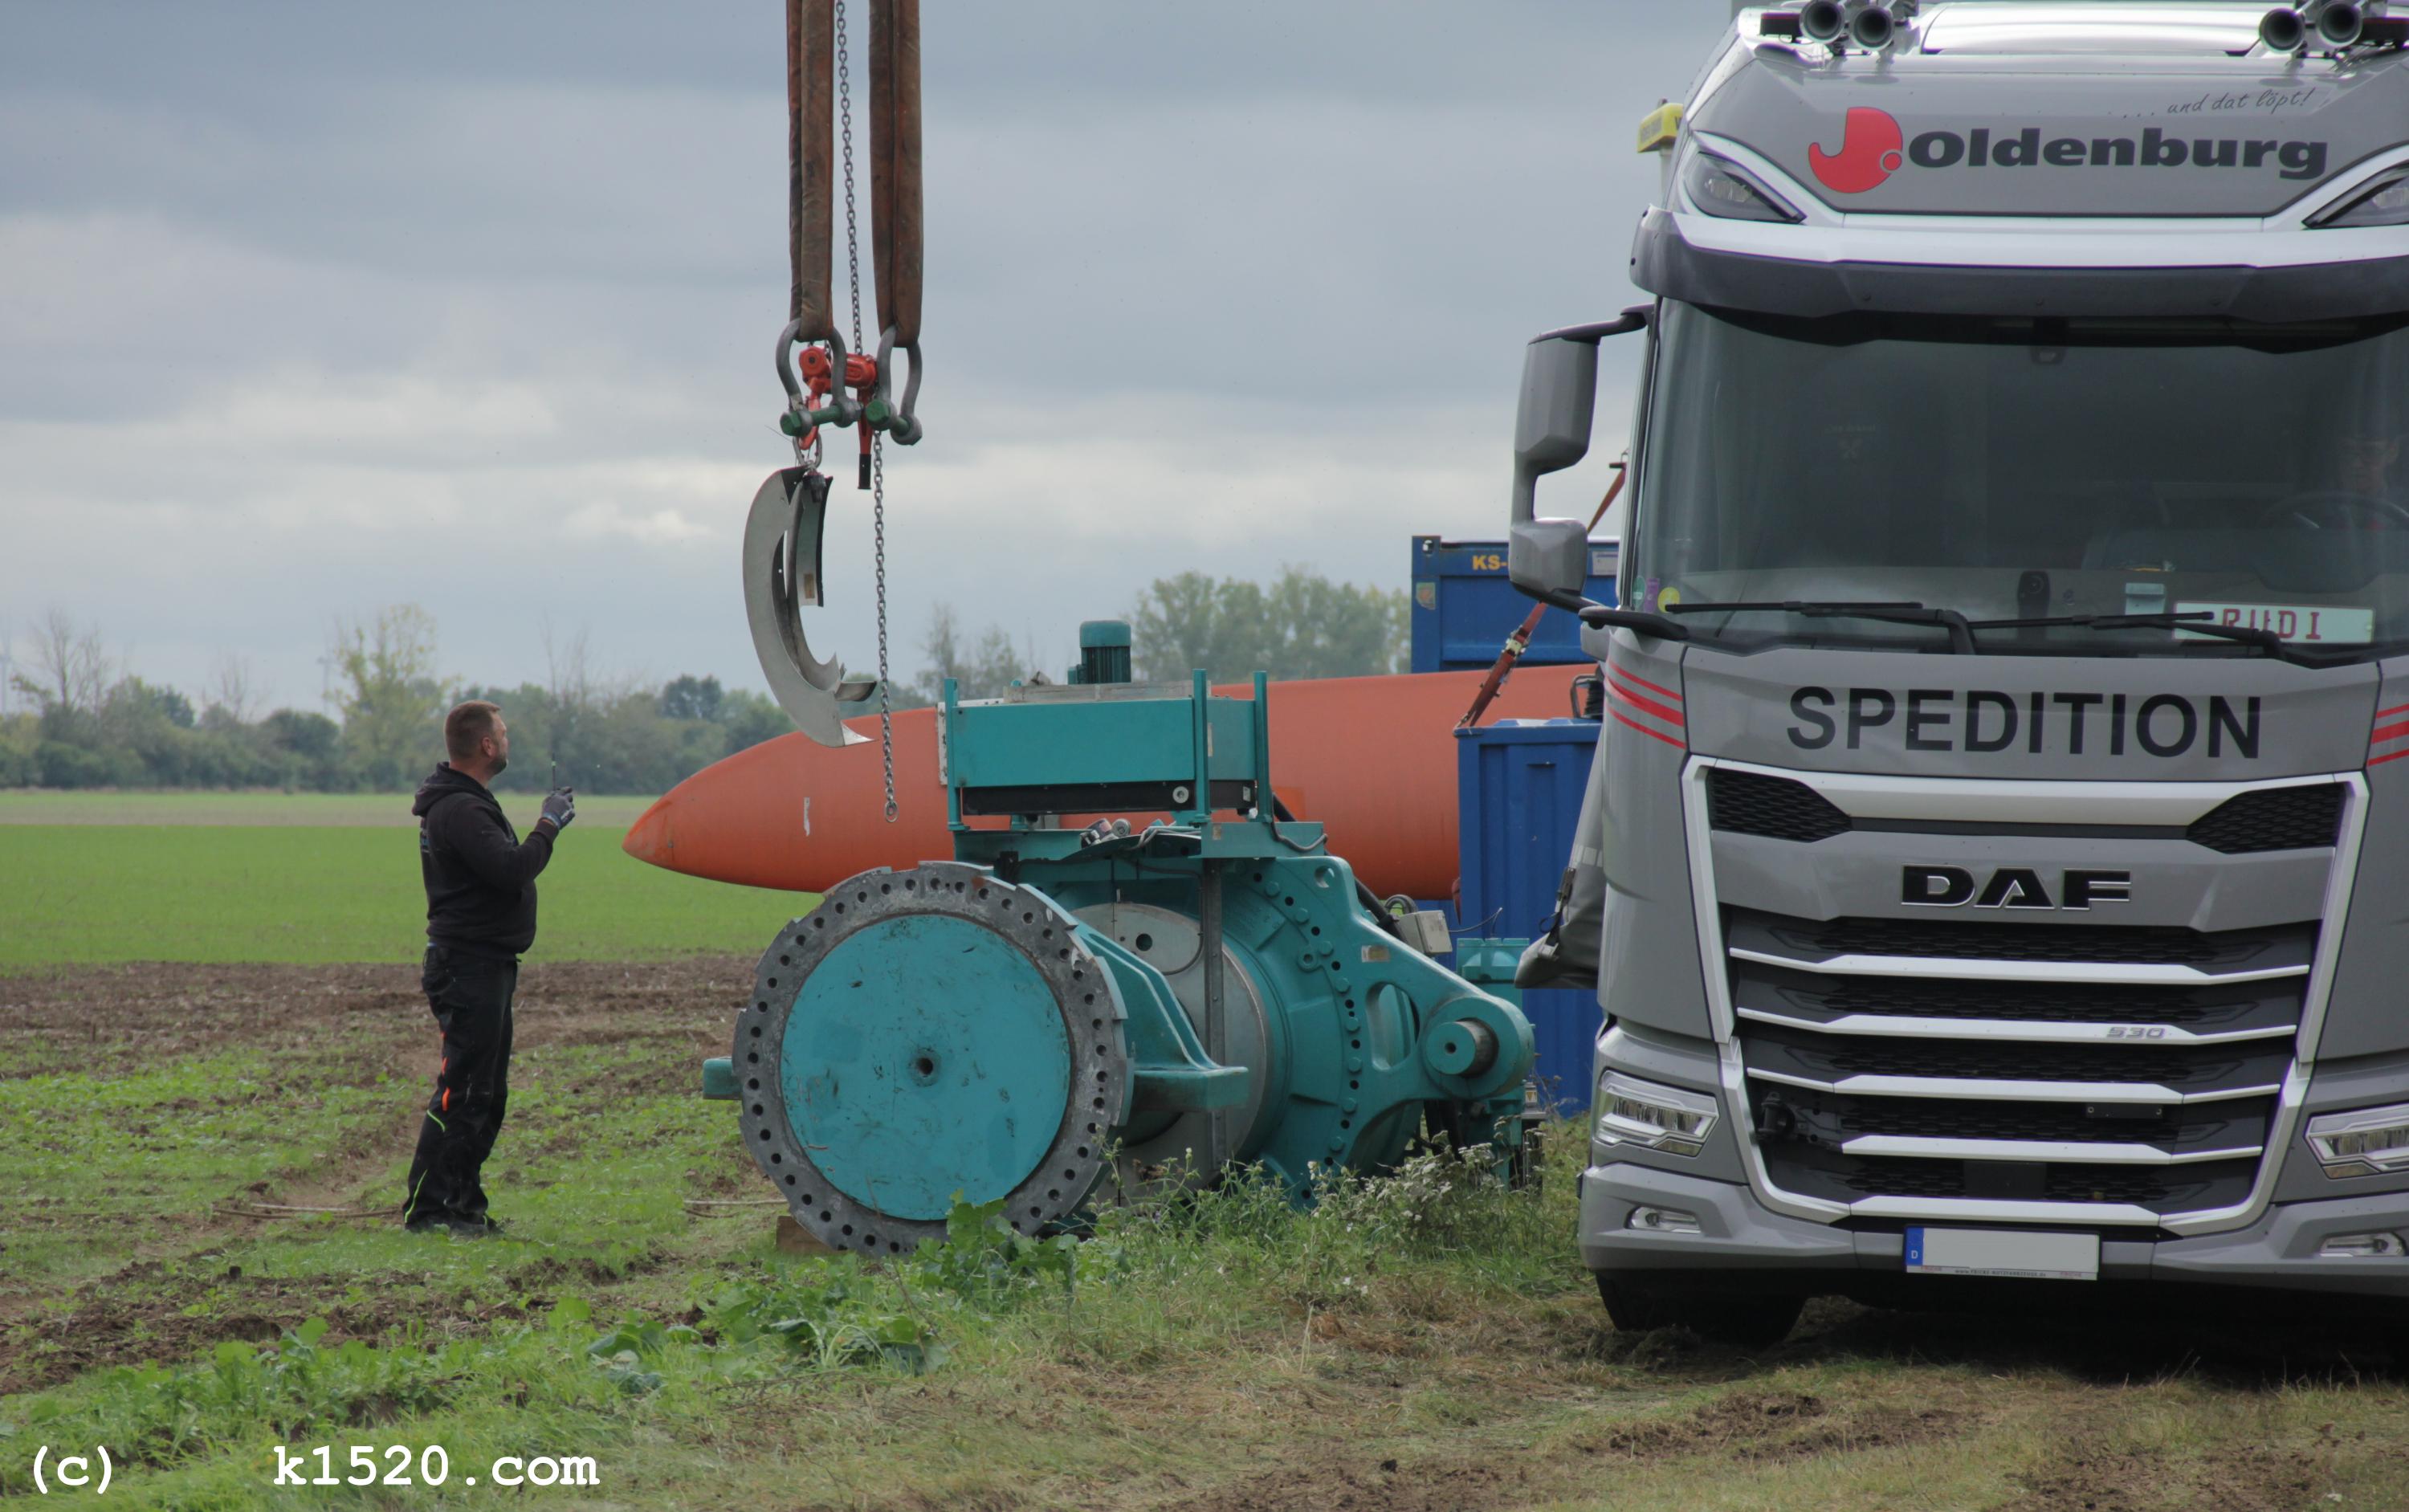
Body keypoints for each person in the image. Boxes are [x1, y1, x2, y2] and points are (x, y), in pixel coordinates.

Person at [403, 700, 576, 1237]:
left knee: (485, 1092)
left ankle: (458, 1205)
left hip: (486, 964)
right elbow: (511, 868)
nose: (507, 738)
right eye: (502, 731)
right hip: (468, 967)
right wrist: (549, 823)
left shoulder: (465, 802)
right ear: (485, 745)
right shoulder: (461, 810)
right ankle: (434, 1210)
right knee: (464, 1090)